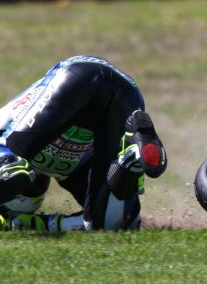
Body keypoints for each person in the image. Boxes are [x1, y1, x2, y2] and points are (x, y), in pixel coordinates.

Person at [0, 56, 167, 232]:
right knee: (109, 226)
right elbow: (121, 221)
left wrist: (25, 223)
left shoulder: (14, 150)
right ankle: (130, 157)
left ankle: (128, 157)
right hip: (126, 94)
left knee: (10, 167)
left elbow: (12, 175)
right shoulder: (65, 172)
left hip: (77, 77)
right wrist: (31, 224)